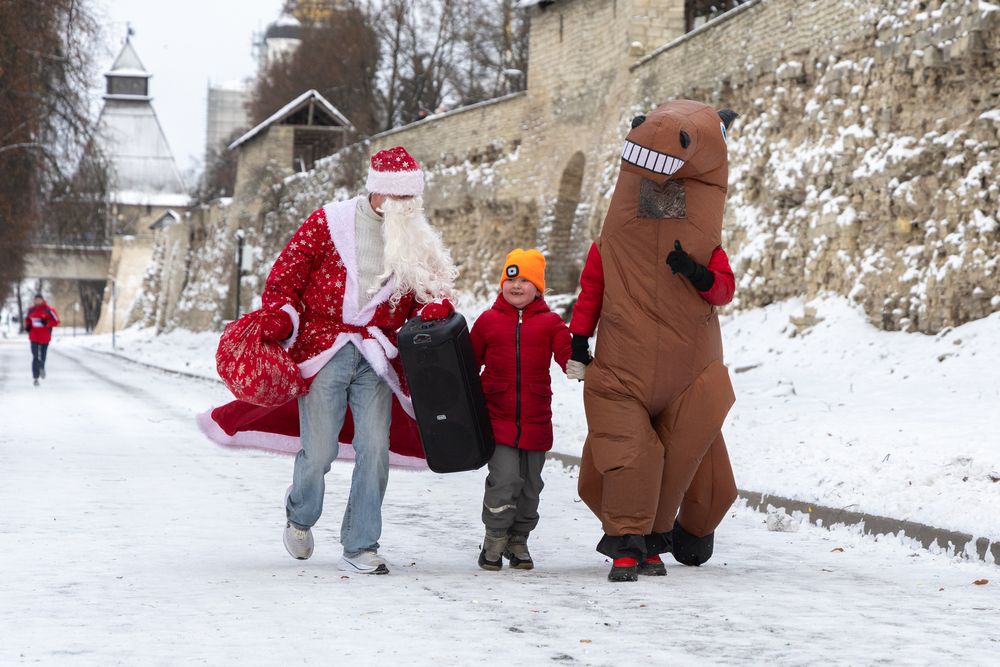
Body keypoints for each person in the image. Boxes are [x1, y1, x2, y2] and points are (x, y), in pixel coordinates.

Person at [258, 146, 456, 574]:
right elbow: (286, 274)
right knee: (320, 449)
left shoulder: (414, 239)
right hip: (325, 349)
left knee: (374, 448)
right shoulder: (328, 222)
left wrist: (434, 310)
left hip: (375, 355)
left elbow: (431, 293)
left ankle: (361, 543)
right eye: (404, 199)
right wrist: (281, 316)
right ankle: (300, 514)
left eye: (413, 200)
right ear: (381, 194)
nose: (410, 208)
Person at [567, 101, 740, 582]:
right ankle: (631, 541)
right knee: (630, 451)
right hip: (624, 363)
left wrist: (695, 272)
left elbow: (723, 289)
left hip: (689, 367)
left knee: (690, 450)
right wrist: (579, 340)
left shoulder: (707, 245)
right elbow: (592, 291)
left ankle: (679, 530)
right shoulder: (613, 244)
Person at [468, 249, 572, 571]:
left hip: (536, 418)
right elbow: (468, 364)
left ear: (538, 288)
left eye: (525, 280)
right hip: (496, 417)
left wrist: (580, 360)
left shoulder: (551, 324)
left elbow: (568, 356)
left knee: (531, 485)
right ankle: (495, 537)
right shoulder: (487, 322)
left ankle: (519, 539)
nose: (516, 285)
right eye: (511, 279)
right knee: (504, 478)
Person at [25, 295, 60, 387]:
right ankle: (35, 378)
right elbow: (28, 320)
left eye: (39, 300)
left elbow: (57, 321)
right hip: (34, 336)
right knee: (35, 356)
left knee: (43, 356)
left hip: (45, 336)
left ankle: (42, 367)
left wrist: (47, 323)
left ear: (42, 300)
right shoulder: (31, 310)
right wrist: (28, 326)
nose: (37, 301)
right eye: (36, 300)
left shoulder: (49, 310)